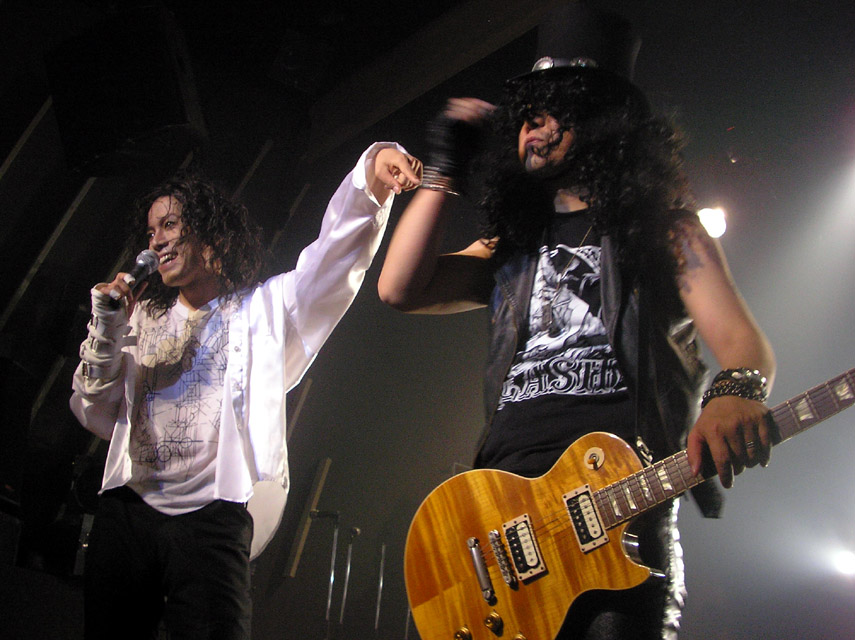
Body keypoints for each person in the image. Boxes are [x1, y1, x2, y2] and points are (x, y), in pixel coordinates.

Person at [378, 5, 775, 639]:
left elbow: (741, 343)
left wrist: (734, 393)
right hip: (504, 516)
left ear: (598, 118)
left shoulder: (666, 231)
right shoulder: (510, 246)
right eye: (525, 116)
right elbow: (400, 288)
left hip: (618, 513)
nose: (530, 128)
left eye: (549, 112)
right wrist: (444, 170)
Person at [69, 142, 422, 640]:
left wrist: (372, 181)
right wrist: (107, 328)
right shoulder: (141, 317)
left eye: (169, 225)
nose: (156, 241)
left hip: (212, 519)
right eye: (151, 231)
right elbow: (93, 406)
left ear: (211, 235)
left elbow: (331, 262)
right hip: (128, 511)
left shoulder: (264, 311)